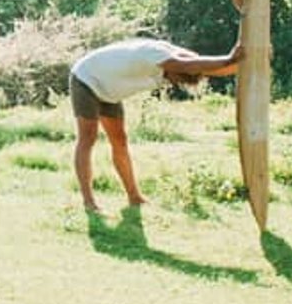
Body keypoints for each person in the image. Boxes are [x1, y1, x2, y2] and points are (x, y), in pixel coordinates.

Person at [70, 36, 241, 211]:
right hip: (87, 79)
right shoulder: (156, 53)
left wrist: (242, 61)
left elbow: (206, 68)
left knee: (120, 141)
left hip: (111, 92)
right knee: (88, 138)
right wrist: (228, 58)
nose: (173, 82)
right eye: (176, 78)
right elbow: (189, 65)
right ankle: (88, 201)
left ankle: (134, 197)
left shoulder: (178, 62)